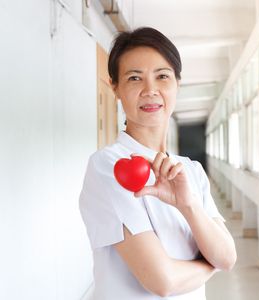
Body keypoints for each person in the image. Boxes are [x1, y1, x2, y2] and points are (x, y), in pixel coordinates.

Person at [79, 27, 237, 299]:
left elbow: (227, 256)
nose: (150, 90)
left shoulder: (191, 170)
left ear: (177, 83)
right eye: (134, 78)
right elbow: (162, 280)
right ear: (114, 87)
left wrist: (188, 205)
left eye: (162, 76)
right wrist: (209, 265)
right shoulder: (109, 166)